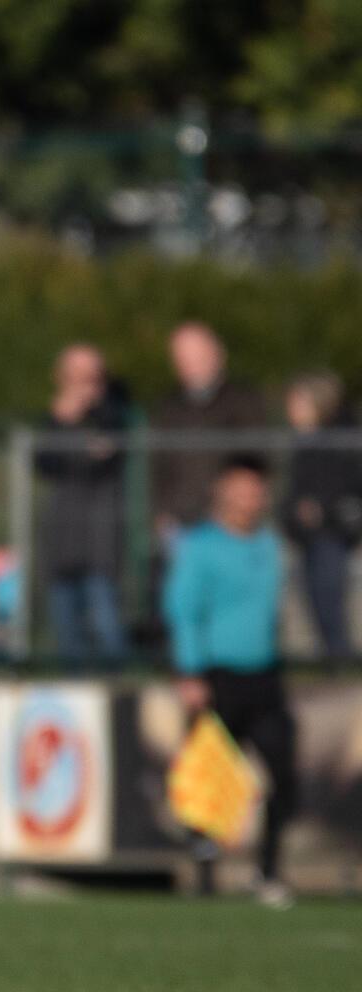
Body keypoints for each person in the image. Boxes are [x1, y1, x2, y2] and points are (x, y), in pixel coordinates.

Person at [163, 456, 297, 907]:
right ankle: (204, 877)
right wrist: (190, 671)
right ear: (222, 491)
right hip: (217, 676)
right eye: (240, 487)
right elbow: (184, 611)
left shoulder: (270, 545)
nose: (248, 497)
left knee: (283, 774)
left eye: (256, 488)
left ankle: (268, 871)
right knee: (209, 779)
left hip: (265, 674)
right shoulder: (200, 546)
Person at [36, 343, 130, 669]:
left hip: (100, 539)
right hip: (64, 537)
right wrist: (60, 422)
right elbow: (44, 463)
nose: (82, 384)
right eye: (74, 376)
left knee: (107, 625)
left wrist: (85, 416)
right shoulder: (54, 419)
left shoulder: (115, 413)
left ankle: (118, 693)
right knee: (67, 631)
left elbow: (104, 458)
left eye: (90, 376)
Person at [151, 321, 266, 538]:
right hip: (180, 522)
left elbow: (256, 460)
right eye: (184, 359)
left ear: (218, 354)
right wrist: (160, 512)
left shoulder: (245, 402)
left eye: (198, 357)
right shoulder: (168, 409)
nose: (191, 366)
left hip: (233, 523)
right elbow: (157, 467)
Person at [281, 372, 359, 663]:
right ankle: (330, 661)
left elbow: (346, 490)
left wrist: (321, 509)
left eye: (298, 402)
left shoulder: (340, 443)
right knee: (312, 601)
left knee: (331, 603)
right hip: (307, 536)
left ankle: (341, 662)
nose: (291, 408)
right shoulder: (302, 443)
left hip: (332, 536)